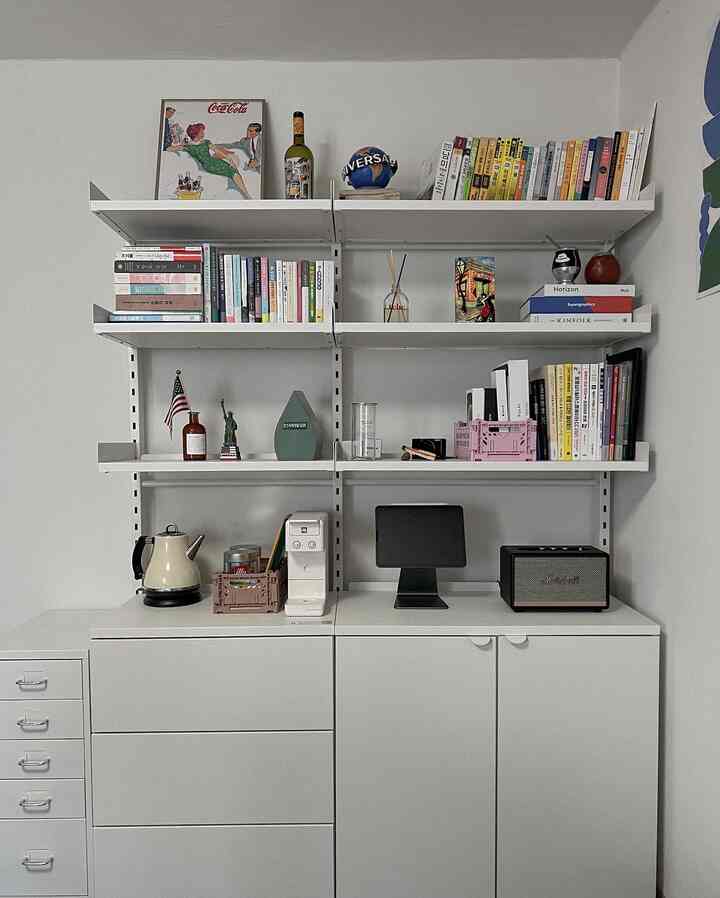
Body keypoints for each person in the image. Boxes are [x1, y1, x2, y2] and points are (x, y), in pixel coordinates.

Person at [168, 123, 251, 198]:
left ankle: (244, 192)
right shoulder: (189, 146)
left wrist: (229, 159)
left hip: (213, 161)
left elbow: (216, 150)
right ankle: (246, 194)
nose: (203, 133)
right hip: (209, 165)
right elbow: (172, 148)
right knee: (233, 172)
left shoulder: (204, 142)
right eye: (201, 132)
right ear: (196, 133)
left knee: (233, 168)